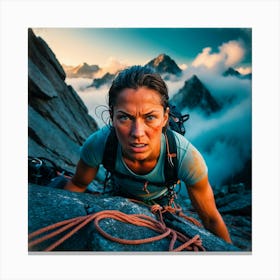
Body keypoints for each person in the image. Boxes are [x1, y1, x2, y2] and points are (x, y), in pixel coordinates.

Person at [64, 65, 232, 244]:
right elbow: (77, 184)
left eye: (150, 117)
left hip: (163, 204)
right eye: (125, 117)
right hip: (118, 193)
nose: (137, 133)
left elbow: (211, 219)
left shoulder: (185, 157)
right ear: (112, 117)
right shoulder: (100, 144)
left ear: (165, 118)